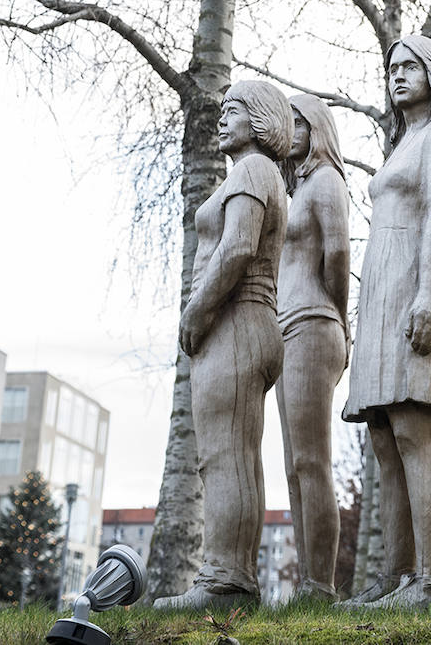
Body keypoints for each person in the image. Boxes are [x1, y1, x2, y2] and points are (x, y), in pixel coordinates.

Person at [342, 34, 431, 610]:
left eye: (409, 66)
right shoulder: (404, 140)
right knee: (384, 437)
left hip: (416, 288)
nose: (397, 75)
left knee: (417, 431)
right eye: (391, 67)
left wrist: (426, 294)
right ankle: (396, 576)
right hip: (381, 292)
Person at [153, 79, 293, 610]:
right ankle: (231, 577)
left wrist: (196, 311)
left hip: (236, 321)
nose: (221, 118)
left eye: (233, 110)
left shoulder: (255, 169)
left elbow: (237, 248)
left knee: (224, 457)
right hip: (243, 324)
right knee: (236, 457)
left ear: (260, 118)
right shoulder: (256, 172)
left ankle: (223, 581)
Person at [276, 93, 350, 602]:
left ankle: (318, 584)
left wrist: (338, 315)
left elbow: (339, 251)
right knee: (293, 464)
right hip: (286, 327)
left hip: (314, 320)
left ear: (318, 129)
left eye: (301, 123)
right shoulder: (293, 191)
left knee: (312, 460)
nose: (293, 131)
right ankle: (307, 579)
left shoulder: (327, 181)